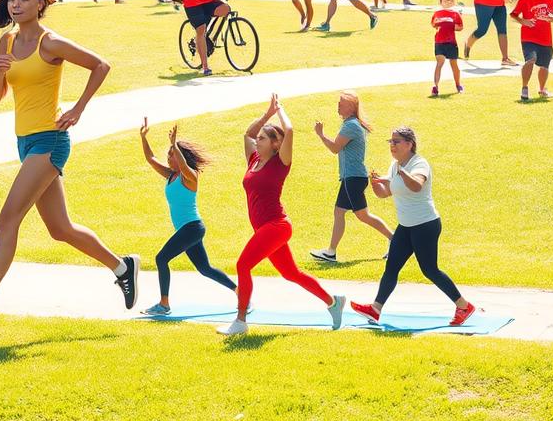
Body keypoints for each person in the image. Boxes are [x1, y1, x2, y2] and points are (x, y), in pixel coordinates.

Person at [0, 0, 140, 337]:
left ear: (41, 3)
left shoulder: (51, 43)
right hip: (24, 142)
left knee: (7, 218)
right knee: (60, 229)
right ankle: (123, 267)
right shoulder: (7, 42)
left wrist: (77, 109)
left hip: (50, 141)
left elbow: (101, 65)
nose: (16, 5)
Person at [218, 95, 346, 336]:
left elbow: (289, 129)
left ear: (276, 143)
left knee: (242, 265)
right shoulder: (254, 159)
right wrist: (266, 114)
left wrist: (280, 110)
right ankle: (333, 302)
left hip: (276, 226)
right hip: (265, 228)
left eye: (263, 138)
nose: (257, 141)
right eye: (259, 138)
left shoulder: (281, 162)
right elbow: (247, 133)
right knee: (291, 273)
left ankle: (240, 320)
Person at [351, 127, 476, 327]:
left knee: (430, 270)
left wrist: (402, 172)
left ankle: (464, 306)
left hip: (425, 225)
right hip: (406, 226)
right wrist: (376, 185)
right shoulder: (395, 166)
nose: (391, 145)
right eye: (390, 141)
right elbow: (385, 193)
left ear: (409, 144)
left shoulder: (419, 164)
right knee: (391, 267)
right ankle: (375, 310)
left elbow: (416, 186)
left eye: (396, 141)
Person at [139, 118, 235, 316]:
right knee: (205, 268)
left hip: (191, 228)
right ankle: (241, 293)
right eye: (168, 154)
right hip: (188, 229)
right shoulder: (170, 176)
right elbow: (150, 158)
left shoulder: (190, 177)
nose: (168, 158)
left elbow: (183, 167)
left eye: (172, 155)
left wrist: (175, 145)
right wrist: (143, 138)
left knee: (161, 258)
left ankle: (164, 304)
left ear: (181, 157)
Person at [310, 91, 393, 263]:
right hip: (353, 178)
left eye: (341, 102)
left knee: (362, 216)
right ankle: (330, 252)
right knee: (341, 212)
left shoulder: (351, 126)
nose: (338, 105)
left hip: (353, 178)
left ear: (351, 106)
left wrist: (320, 134)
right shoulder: (352, 124)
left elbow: (335, 148)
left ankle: (395, 241)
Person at [510, 0, 553, 101]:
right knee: (531, 59)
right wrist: (523, 21)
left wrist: (550, 18)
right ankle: (524, 88)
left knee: (544, 65)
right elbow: (513, 14)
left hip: (545, 37)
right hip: (528, 37)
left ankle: (542, 89)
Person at [430, 0, 464, 96]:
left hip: (451, 42)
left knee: (454, 64)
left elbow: (460, 27)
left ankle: (458, 84)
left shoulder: (456, 14)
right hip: (439, 41)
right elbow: (433, 24)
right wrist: (437, 23)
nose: (448, 1)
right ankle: (435, 86)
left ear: (454, 1)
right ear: (441, 1)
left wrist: (451, 25)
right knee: (440, 62)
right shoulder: (437, 13)